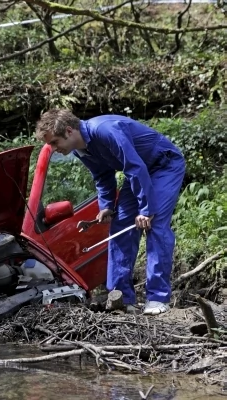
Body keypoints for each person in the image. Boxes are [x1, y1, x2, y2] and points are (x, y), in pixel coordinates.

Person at [34, 109, 186, 315]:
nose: (53, 148)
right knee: (120, 226)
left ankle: (157, 298)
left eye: (54, 142)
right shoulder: (80, 148)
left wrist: (146, 209)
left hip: (163, 165)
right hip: (138, 172)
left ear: (69, 131)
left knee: (154, 224)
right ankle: (121, 298)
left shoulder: (105, 130)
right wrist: (106, 206)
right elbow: (102, 174)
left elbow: (134, 167)